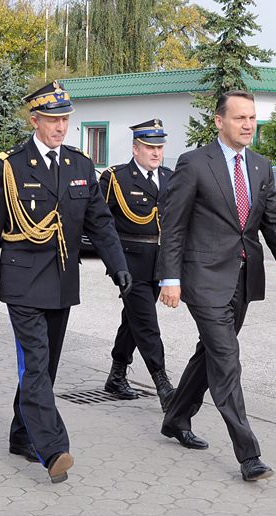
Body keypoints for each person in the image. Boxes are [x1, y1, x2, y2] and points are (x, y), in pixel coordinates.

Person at [0, 81, 131, 484]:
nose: (60, 127)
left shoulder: (78, 165)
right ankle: (53, 448)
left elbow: (101, 222)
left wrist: (118, 265)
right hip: (22, 282)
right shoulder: (12, 166)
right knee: (37, 365)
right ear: (34, 120)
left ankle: (20, 435)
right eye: (53, 120)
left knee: (46, 368)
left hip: (61, 281)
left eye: (65, 120)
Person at [157, 90, 276, 481]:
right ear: (219, 121)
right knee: (226, 359)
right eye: (240, 118)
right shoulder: (193, 164)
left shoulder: (260, 166)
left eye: (252, 118)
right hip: (202, 277)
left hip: (242, 277)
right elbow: (174, 226)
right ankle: (248, 455)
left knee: (210, 353)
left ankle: (176, 416)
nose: (249, 125)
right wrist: (170, 278)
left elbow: (272, 221)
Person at [99, 119, 175, 411]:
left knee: (133, 319)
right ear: (135, 148)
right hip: (129, 264)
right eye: (149, 147)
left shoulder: (169, 177)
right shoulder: (117, 178)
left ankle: (116, 376)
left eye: (159, 147)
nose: (156, 153)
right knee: (147, 322)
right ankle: (163, 385)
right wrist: (111, 262)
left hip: (159, 264)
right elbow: (100, 222)